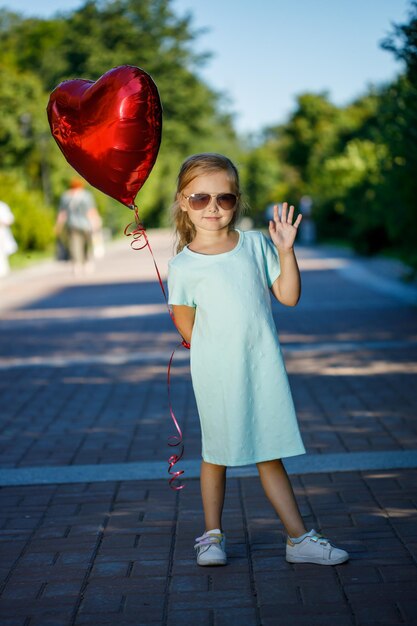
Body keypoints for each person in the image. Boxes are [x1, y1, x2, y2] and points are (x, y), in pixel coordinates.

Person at [167, 153, 349, 567]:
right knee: (216, 453)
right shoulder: (183, 266)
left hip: (262, 369)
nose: (212, 207)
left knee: (270, 449)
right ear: (182, 201)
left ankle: (298, 539)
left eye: (224, 198)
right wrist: (218, 357)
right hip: (216, 375)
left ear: (237, 200)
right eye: (200, 199)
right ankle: (211, 536)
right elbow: (186, 325)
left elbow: (288, 295)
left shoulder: (254, 245)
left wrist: (286, 251)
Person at [55, 178, 102, 274]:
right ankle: (87, 263)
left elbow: (62, 213)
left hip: (72, 225)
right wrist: (96, 222)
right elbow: (91, 211)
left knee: (74, 245)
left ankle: (77, 265)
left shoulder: (66, 197)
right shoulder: (86, 196)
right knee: (86, 244)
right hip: (86, 225)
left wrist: (58, 226)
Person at [0, 200, 18, 278]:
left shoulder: (3, 206)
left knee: (2, 253)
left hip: (2, 233)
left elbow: (10, 219)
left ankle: (3, 272)